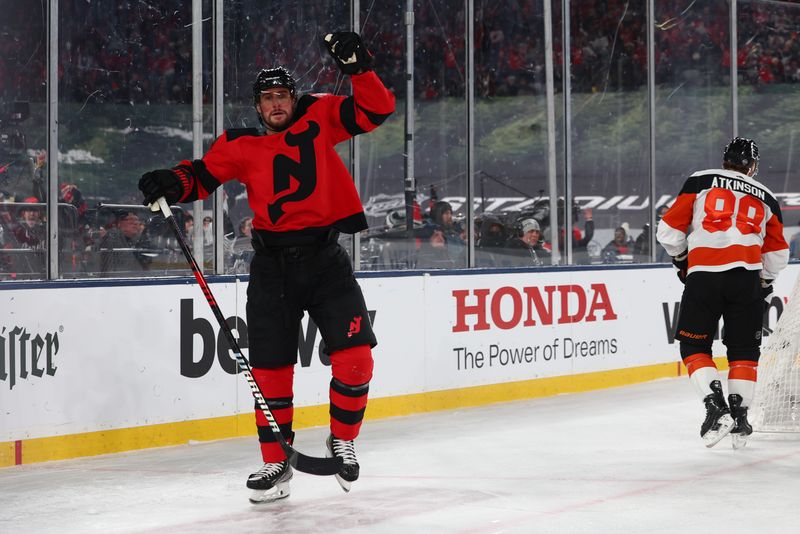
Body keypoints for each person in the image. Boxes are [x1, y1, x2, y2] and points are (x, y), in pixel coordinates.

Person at [138, 32, 395, 503]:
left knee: (357, 358)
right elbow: (200, 175)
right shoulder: (239, 145)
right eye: (267, 98)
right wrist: (169, 182)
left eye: (282, 95)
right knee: (270, 370)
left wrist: (360, 69)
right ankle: (278, 460)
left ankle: (344, 440)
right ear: (257, 106)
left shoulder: (320, 117)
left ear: (294, 99)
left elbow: (375, 111)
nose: (276, 104)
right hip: (272, 268)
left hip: (325, 261)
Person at [656, 137, 789, 449]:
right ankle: (740, 420)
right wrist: (764, 281)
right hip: (746, 278)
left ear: (725, 159)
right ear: (753, 167)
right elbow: (778, 255)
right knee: (744, 351)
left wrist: (682, 259)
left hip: (705, 274)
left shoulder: (701, 179)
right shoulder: (768, 198)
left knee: (693, 344)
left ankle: (716, 409)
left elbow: (669, 232)